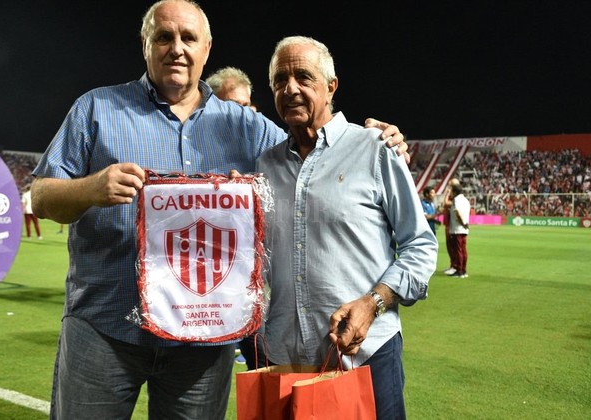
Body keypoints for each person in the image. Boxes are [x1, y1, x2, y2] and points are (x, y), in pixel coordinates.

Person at [30, 1, 407, 418]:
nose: (177, 48)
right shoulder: (97, 109)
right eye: (164, 37)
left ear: (206, 48)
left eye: (188, 38)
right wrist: (90, 188)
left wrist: (376, 139)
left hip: (204, 343)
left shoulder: (245, 126)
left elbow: (311, 150)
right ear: (144, 43)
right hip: (106, 329)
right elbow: (41, 197)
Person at [255, 36, 438, 419]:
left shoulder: (375, 148)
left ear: (331, 86)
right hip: (286, 359)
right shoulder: (264, 166)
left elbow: (421, 246)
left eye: (304, 77)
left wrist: (374, 303)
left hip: (366, 356)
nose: (290, 89)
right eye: (280, 80)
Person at [206, 66, 267, 370]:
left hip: (251, 278)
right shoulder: (189, 146)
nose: (241, 114)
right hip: (208, 279)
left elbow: (313, 147)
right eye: (232, 105)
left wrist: (373, 136)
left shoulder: (262, 141)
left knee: (264, 364)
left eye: (246, 105)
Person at [448, 182, 470, 278]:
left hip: (457, 229)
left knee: (458, 251)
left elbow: (458, 212)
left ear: (454, 191)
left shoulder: (456, 200)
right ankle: (464, 271)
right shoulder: (466, 200)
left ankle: (459, 271)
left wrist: (463, 223)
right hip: (464, 229)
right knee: (463, 250)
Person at [442, 178, 460, 275]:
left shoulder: (456, 198)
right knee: (449, 246)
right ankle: (452, 265)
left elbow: (445, 204)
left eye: (450, 186)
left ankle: (455, 266)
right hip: (448, 223)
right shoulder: (452, 197)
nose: (448, 188)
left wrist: (447, 193)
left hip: (452, 224)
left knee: (453, 246)